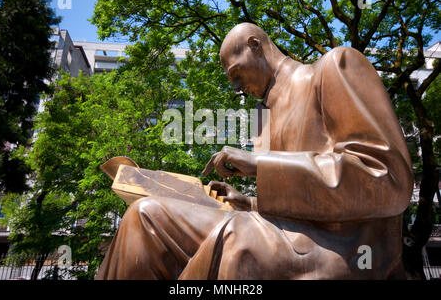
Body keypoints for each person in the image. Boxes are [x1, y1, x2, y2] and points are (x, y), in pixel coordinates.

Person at [96, 23, 413, 279]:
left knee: (239, 239)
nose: (236, 88)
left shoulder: (334, 66)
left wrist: (260, 163)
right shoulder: (266, 120)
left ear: (255, 46)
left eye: (236, 74)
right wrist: (247, 201)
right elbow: (293, 206)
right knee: (146, 216)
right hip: (285, 232)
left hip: (345, 246)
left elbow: (387, 179)